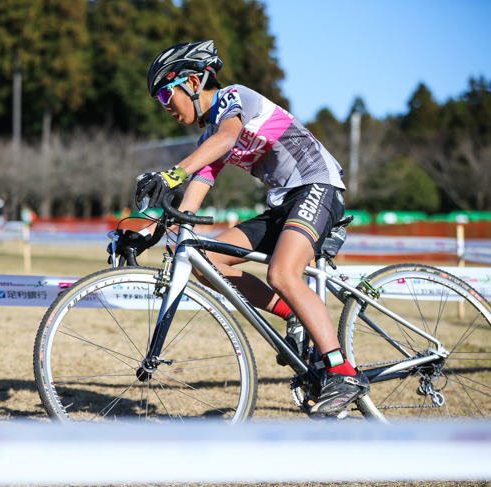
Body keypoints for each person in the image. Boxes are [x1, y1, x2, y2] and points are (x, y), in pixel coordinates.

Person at [127, 40, 368, 417]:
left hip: (316, 185)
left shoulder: (232, 99)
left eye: (164, 94)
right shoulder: (207, 139)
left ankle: (344, 372)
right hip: (284, 202)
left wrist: (171, 173)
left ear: (191, 82)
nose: (165, 106)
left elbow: (227, 137)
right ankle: (293, 314)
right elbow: (190, 202)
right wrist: (149, 228)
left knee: (282, 273)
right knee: (203, 261)